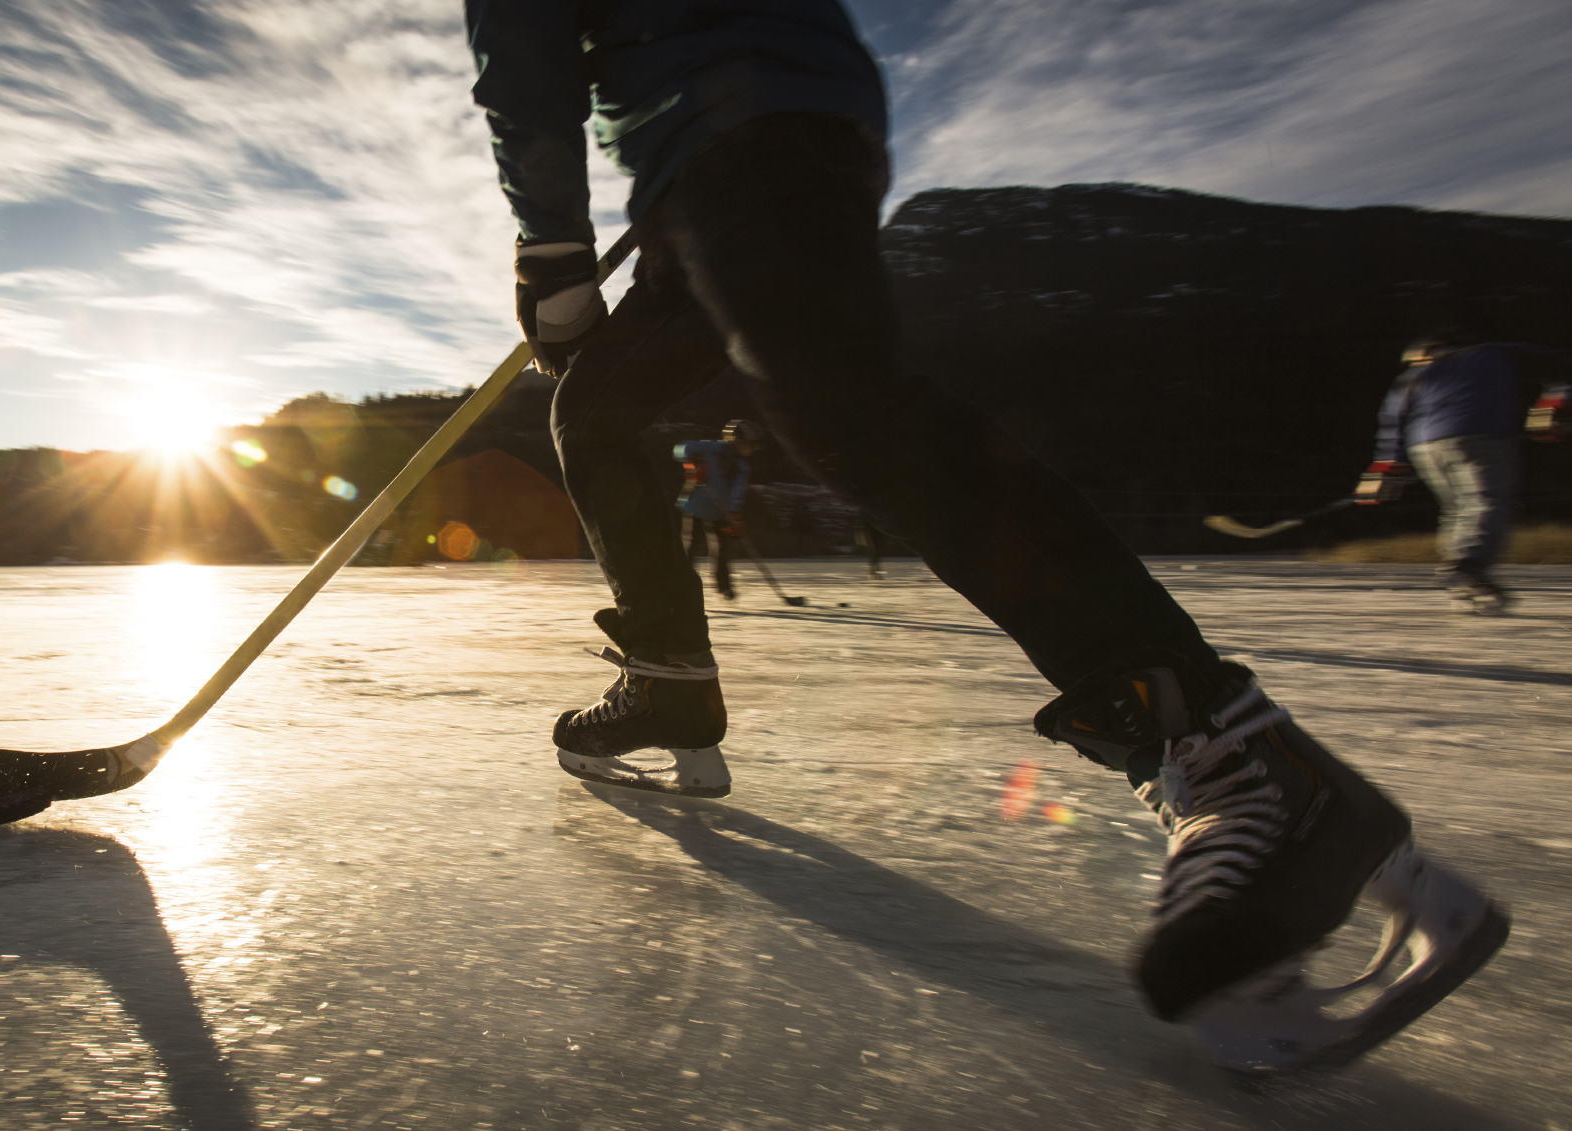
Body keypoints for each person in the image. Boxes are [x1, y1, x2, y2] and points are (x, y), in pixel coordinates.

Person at [465, 0, 1508, 1073]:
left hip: (744, 117)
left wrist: (551, 244)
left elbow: (520, 38)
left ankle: (1235, 755)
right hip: (724, 138)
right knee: (594, 407)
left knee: (843, 408)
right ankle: (668, 677)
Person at [1356, 329, 1570, 613]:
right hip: (1481, 438)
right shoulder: (1496, 351)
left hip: (1425, 446)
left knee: (1456, 508)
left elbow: (1393, 418)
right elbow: (1561, 364)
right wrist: (1555, 405)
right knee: (1487, 502)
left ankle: (1461, 573)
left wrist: (1386, 466)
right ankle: (1470, 565)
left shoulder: (1415, 374)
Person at [675, 419, 764, 599]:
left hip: (720, 511)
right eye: (750, 444)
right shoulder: (709, 448)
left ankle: (724, 586)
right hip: (696, 505)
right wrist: (693, 462)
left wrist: (734, 514)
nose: (753, 449)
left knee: (723, 548)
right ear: (736, 439)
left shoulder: (742, 467)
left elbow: (736, 492)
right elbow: (680, 449)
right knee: (691, 545)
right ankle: (684, 584)